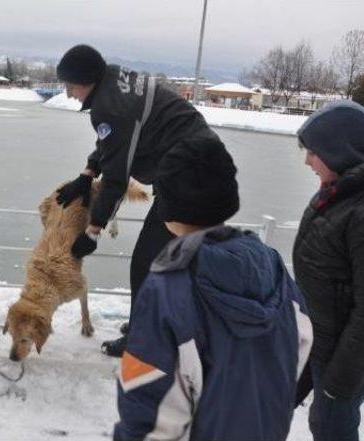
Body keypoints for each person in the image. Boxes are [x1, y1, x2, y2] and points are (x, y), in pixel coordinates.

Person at [114, 138, 313, 441]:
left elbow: (149, 405)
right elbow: (304, 345)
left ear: (166, 206)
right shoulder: (272, 267)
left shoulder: (168, 289)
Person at [54, 44, 223, 357]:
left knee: (147, 261)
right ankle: (150, 323)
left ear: (86, 80)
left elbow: (117, 179)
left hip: (191, 179)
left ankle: (144, 339)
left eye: (70, 86)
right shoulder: (113, 80)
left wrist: (93, 230)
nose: (68, 94)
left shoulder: (110, 106)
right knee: (161, 258)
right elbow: (114, 141)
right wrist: (88, 173)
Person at [293, 100, 364, 441]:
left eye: (312, 152)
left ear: (339, 151)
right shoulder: (337, 194)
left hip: (343, 355)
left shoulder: (359, 210)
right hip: (323, 340)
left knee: (332, 426)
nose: (306, 160)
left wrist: (339, 381)